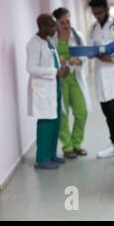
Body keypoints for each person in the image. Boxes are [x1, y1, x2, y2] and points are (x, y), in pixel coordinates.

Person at [88, 0, 114, 164]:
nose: (97, 15)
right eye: (94, 12)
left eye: (100, 11)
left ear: (107, 9)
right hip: (100, 76)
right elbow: (92, 48)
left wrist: (111, 59)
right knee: (106, 112)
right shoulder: (93, 28)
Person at [27, 13, 70, 169]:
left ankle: (51, 154)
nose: (55, 29)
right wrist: (55, 72)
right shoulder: (34, 44)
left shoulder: (48, 42)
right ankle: (42, 159)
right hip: (44, 89)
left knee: (55, 122)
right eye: (52, 26)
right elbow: (31, 68)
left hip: (54, 87)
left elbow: (53, 62)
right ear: (42, 26)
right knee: (46, 123)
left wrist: (61, 70)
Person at [52, 7, 92, 159]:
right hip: (61, 79)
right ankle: (67, 146)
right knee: (63, 115)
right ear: (56, 23)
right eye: (62, 22)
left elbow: (85, 55)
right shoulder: (53, 39)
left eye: (67, 21)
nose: (66, 25)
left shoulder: (77, 35)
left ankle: (77, 142)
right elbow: (50, 59)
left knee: (82, 112)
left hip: (75, 78)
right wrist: (59, 61)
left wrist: (79, 59)